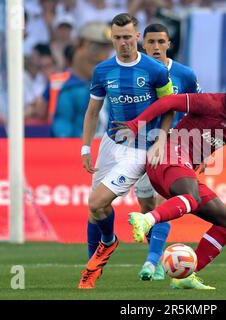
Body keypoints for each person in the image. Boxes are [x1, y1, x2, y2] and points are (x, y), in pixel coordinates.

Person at [111, 70, 226, 289]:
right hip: (166, 156)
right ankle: (147, 220)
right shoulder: (211, 102)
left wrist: (199, 160)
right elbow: (170, 101)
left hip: (183, 167)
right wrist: (136, 124)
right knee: (191, 196)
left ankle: (186, 276)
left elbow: (206, 140)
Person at [77, 13, 174, 289]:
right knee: (95, 210)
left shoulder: (155, 70)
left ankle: (133, 253)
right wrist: (86, 147)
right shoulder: (103, 71)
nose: (123, 43)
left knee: (103, 203)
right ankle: (94, 263)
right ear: (112, 38)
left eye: (128, 37)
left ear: (137, 37)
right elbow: (92, 112)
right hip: (110, 145)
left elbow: (170, 107)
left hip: (142, 149)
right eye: (118, 38)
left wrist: (161, 139)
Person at [134, 23, 202, 281]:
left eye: (161, 42)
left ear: (169, 45)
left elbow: (199, 109)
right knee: (146, 208)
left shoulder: (184, 75)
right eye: (151, 42)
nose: (156, 47)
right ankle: (158, 253)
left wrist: (202, 150)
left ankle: (152, 263)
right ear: (144, 45)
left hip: (175, 146)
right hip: (140, 146)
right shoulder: (138, 73)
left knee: (163, 204)